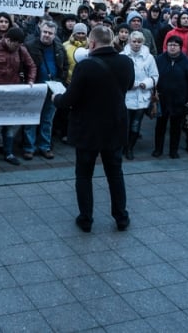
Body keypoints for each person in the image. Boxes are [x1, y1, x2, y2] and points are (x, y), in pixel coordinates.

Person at [53, 25, 134, 232]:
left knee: (84, 174)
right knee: (115, 173)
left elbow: (70, 99)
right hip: (115, 126)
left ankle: (86, 219)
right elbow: (129, 85)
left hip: (88, 129)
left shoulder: (86, 66)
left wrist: (56, 98)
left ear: (92, 42)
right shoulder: (126, 62)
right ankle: (121, 217)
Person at [0, 27, 37, 167]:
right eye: (15, 45)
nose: (16, 48)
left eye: (19, 45)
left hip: (12, 92)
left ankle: (8, 153)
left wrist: (30, 81)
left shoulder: (21, 49)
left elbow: (32, 66)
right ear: (8, 39)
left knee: (9, 125)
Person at [23, 20, 68, 160]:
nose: (47, 35)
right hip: (35, 87)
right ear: (40, 31)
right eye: (45, 32)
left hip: (53, 89)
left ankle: (45, 146)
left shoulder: (59, 48)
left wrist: (61, 80)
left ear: (55, 35)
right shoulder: (30, 46)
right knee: (31, 118)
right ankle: (29, 148)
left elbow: (64, 66)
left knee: (47, 119)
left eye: (50, 33)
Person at [153, 36, 188, 158]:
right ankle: (158, 149)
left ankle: (173, 150)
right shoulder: (159, 60)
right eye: (170, 45)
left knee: (176, 127)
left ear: (180, 47)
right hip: (162, 99)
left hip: (179, 100)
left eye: (175, 45)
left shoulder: (187, 62)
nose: (172, 47)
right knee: (160, 126)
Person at [121, 31, 158, 159]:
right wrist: (129, 84)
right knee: (124, 124)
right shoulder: (122, 56)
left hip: (142, 96)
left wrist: (145, 84)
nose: (136, 44)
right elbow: (117, 76)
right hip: (126, 96)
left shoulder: (149, 57)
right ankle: (123, 147)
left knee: (136, 124)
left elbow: (154, 76)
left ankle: (130, 148)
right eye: (134, 41)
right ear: (129, 42)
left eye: (139, 42)